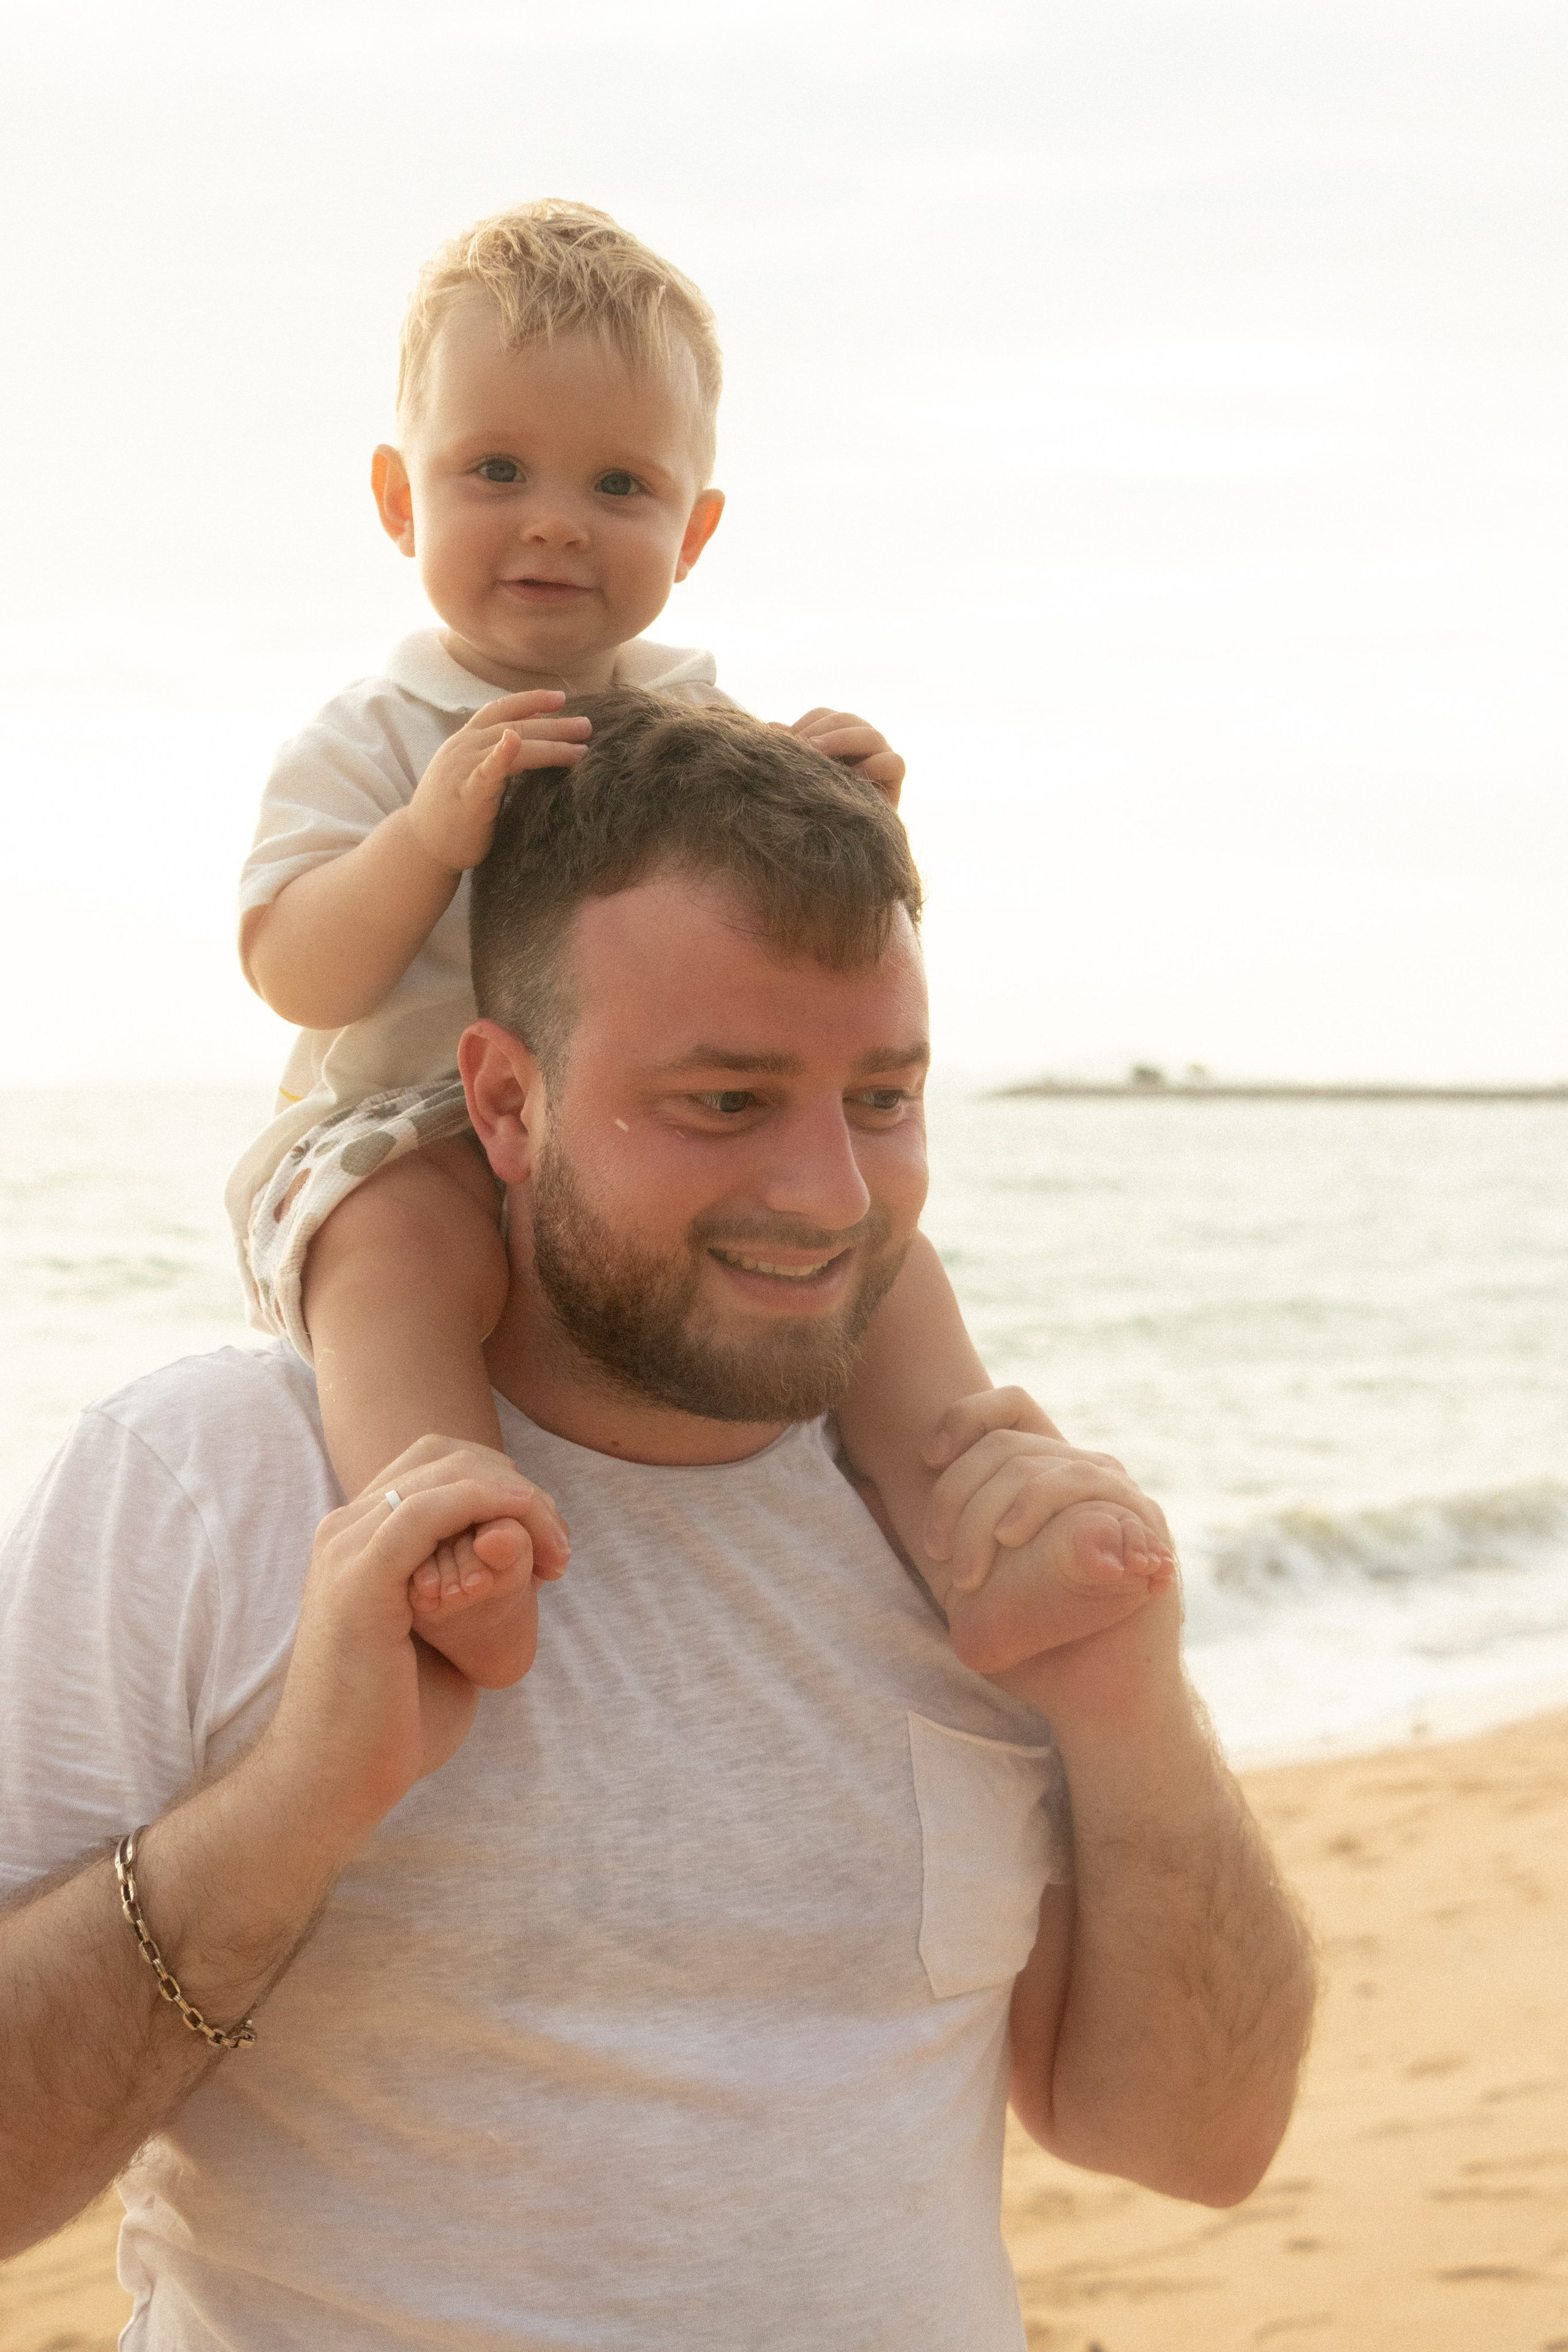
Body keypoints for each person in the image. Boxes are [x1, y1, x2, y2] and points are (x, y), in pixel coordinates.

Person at [0, 697, 1316, 2350]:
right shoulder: (206, 1484)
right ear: (503, 1103)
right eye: (725, 1100)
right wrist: (296, 1813)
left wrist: (1134, 1709)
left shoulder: (969, 1528)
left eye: (886, 1099)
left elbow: (1197, 2141)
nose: (831, 1193)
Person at [226, 198, 1173, 1691]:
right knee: (395, 1250)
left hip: (635, 1144)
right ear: (397, 499)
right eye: (495, 469)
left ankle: (967, 1532)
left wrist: (860, 815)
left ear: (695, 527)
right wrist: (421, 839)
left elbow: (795, 954)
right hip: (398, 1128)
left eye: (617, 483)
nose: (552, 517)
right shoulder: (369, 735)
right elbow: (295, 970)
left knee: (864, 1233)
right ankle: (446, 1527)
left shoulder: (699, 720)